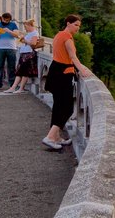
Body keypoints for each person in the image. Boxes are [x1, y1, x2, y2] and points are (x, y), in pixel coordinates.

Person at [42, 14, 85, 149]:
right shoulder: (67, 38)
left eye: (79, 26)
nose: (77, 28)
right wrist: (83, 70)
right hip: (63, 74)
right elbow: (73, 57)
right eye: (75, 25)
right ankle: (50, 137)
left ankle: (56, 137)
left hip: (56, 71)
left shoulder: (59, 35)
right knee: (67, 108)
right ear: (68, 23)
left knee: (58, 106)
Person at [5, 19, 39, 94]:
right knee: (19, 72)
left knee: (24, 72)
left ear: (30, 25)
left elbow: (33, 43)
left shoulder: (35, 33)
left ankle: (20, 88)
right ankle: (13, 87)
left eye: (26, 26)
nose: (25, 28)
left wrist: (24, 41)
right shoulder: (29, 33)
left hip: (29, 54)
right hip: (24, 53)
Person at [0, 13, 19, 91]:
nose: (5, 21)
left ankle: (12, 84)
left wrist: (9, 31)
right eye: (4, 20)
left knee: (11, 67)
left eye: (7, 20)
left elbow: (17, 35)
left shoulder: (13, 25)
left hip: (11, 48)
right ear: (1, 18)